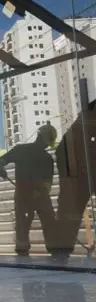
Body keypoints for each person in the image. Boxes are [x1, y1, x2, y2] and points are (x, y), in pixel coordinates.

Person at [0, 123, 58, 256]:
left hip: (40, 196)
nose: (46, 145)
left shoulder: (47, 158)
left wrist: (39, 193)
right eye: (46, 142)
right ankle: (23, 251)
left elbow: (48, 182)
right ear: (39, 137)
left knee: (49, 222)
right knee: (23, 224)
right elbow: (2, 160)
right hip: (24, 194)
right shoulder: (20, 150)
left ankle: (55, 249)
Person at [54, 99, 96, 258]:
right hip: (78, 177)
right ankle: (61, 254)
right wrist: (70, 180)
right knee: (69, 215)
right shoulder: (82, 127)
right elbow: (62, 152)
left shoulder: (82, 126)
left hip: (82, 175)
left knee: (68, 214)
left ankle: (61, 253)